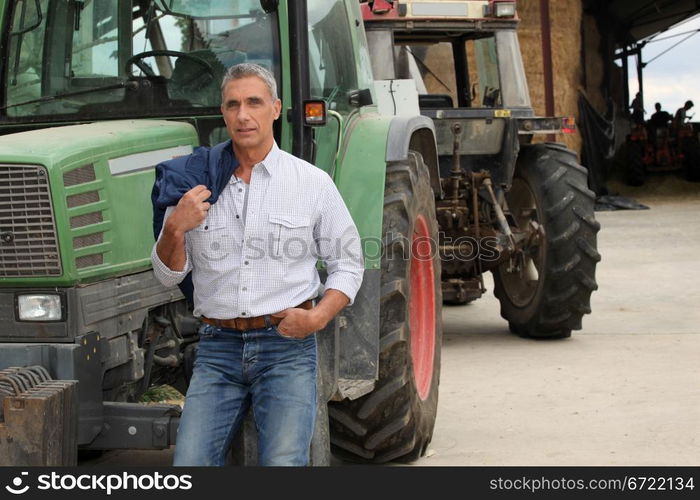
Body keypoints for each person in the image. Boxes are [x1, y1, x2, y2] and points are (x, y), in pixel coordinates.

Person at [151, 63, 364, 466]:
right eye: (233, 105)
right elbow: (168, 275)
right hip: (217, 348)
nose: (243, 115)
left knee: (283, 465)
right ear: (223, 113)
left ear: (276, 108)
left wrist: (317, 318)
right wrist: (175, 229)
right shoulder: (192, 183)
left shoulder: (311, 183)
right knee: (188, 466)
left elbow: (349, 263)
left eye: (254, 102)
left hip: (286, 347)